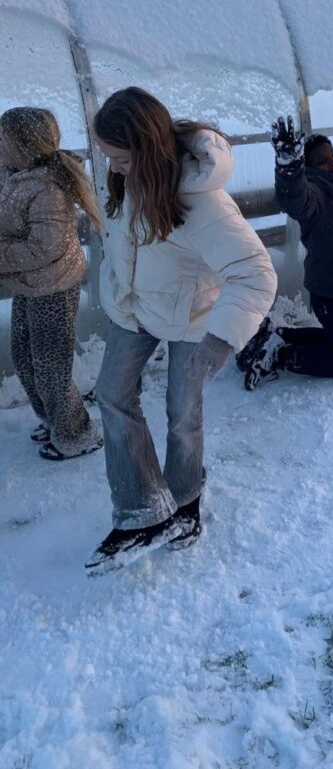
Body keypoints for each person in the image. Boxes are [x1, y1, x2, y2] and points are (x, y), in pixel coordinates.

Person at [85, 87, 277, 576]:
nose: (113, 167)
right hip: (135, 309)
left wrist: (219, 341)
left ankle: (185, 499)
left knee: (181, 415)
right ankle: (141, 509)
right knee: (111, 393)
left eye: (121, 157)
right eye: (108, 157)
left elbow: (256, 274)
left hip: (192, 322)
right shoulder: (128, 179)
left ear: (148, 149)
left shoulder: (202, 204)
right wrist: (114, 290)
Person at [237, 79, 333, 388]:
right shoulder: (315, 194)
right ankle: (279, 356)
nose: (332, 162)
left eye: (332, 154)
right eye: (322, 161)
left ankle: (274, 339)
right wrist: (288, 165)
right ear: (310, 169)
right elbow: (293, 196)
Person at [0, 107, 103, 460]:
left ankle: (77, 435)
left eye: (4, 139)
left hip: (55, 288)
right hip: (29, 286)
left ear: (24, 146)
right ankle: (55, 419)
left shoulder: (48, 186)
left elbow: (43, 246)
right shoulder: (14, 173)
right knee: (24, 357)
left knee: (50, 366)